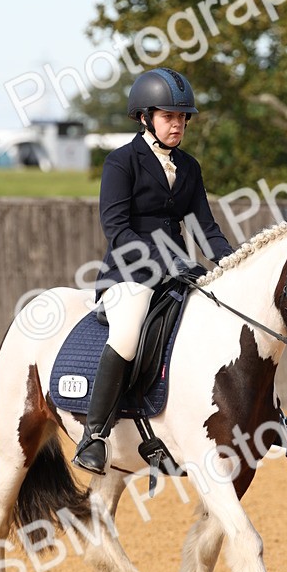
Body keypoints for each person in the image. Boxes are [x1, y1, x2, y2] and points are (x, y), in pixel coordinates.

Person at [73, 67, 234, 475]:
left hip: (179, 272)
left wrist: (233, 263)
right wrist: (166, 261)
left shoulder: (189, 167)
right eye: (168, 116)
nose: (177, 124)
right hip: (129, 273)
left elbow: (205, 227)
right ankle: (95, 435)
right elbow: (116, 228)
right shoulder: (121, 162)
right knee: (128, 336)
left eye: (182, 117)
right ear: (146, 117)